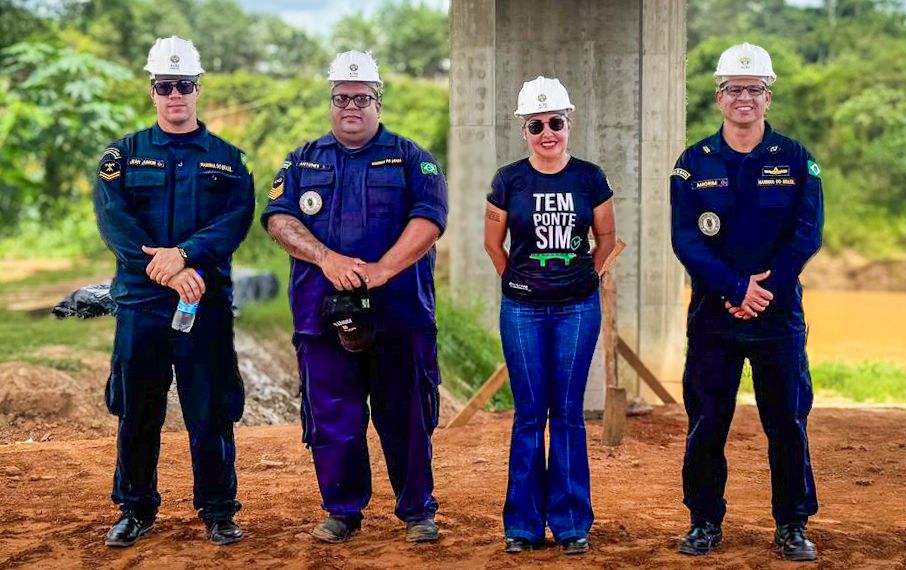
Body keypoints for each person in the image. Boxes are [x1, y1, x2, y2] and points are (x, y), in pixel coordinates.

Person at [261, 50, 448, 544]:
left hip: (400, 314)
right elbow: (279, 219)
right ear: (331, 102)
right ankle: (342, 511)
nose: (351, 106)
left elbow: (429, 220)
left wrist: (384, 270)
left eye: (361, 97)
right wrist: (326, 259)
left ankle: (417, 512)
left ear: (378, 102)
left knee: (405, 416)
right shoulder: (302, 160)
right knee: (334, 419)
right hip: (323, 318)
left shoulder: (412, 158)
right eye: (341, 97)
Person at [93, 36, 254, 547]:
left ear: (198, 88)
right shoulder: (123, 155)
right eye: (166, 86)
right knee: (139, 409)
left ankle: (219, 510)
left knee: (209, 409)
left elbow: (235, 222)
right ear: (152, 90)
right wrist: (167, 268)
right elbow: (115, 223)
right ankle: (135, 509)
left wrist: (183, 256)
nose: (175, 94)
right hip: (142, 305)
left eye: (184, 85)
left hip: (203, 303)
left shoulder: (229, 161)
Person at [669, 42, 824, 562]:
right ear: (719, 97)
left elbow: (807, 235)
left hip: (777, 318)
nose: (744, 99)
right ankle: (704, 521)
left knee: (786, 422)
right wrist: (736, 289)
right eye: (734, 89)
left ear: (768, 96)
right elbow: (686, 240)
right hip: (715, 318)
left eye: (754, 89)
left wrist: (762, 290)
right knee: (708, 422)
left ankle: (792, 526)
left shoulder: (797, 160)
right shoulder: (693, 164)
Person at [484, 76, 617, 556]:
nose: (547, 132)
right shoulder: (508, 180)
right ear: (524, 129)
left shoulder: (590, 178)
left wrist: (586, 277)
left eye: (555, 122)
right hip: (522, 310)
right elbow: (492, 244)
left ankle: (569, 522)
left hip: (577, 309)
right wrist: (517, 280)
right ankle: (521, 525)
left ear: (569, 124)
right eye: (536, 124)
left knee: (565, 414)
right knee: (527, 414)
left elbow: (605, 238)